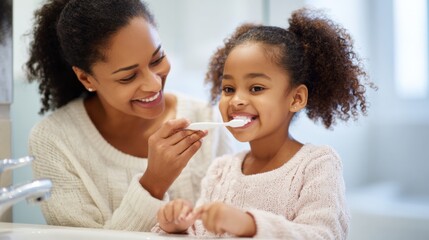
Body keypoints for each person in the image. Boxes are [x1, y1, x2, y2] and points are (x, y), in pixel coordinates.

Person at [154, 7, 376, 239]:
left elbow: (323, 234)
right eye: (229, 89)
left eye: (256, 88)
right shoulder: (221, 171)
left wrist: (249, 225)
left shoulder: (316, 164)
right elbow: (202, 233)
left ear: (296, 98)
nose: (236, 100)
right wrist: (178, 225)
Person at [25, 0, 232, 231]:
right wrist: (153, 184)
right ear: (86, 78)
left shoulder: (203, 116)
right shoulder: (54, 140)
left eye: (157, 59)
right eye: (128, 77)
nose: (154, 85)